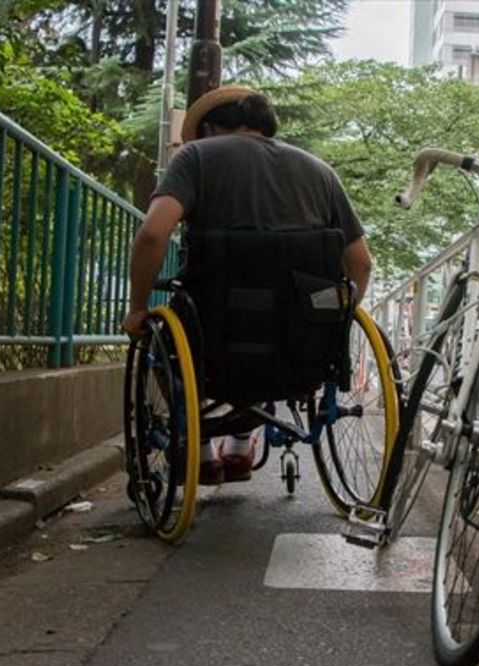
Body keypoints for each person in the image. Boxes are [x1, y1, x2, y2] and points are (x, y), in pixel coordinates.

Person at [122, 85, 374, 485]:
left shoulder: (196, 157)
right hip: (298, 343)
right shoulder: (320, 172)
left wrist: (137, 309)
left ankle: (202, 452)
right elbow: (360, 262)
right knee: (277, 317)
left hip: (216, 330)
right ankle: (241, 444)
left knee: (164, 336)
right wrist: (337, 317)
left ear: (209, 129)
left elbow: (153, 234)